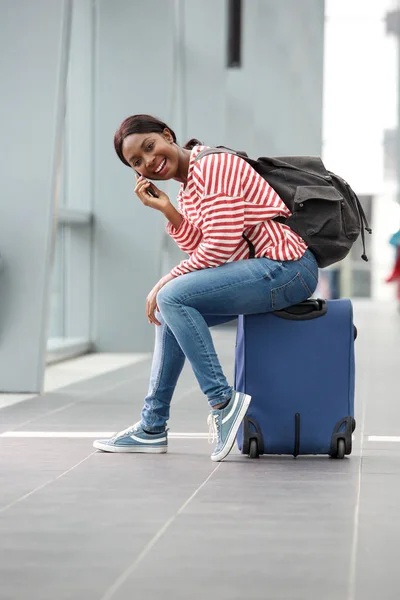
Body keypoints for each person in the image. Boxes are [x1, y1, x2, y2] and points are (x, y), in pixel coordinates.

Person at [93, 114, 319, 461]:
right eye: (137, 162)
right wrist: (169, 210)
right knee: (171, 311)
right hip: (260, 271)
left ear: (168, 135)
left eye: (150, 147)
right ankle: (152, 427)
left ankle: (224, 403)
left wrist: (166, 280)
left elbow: (221, 245)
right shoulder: (188, 189)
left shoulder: (213, 167)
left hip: (287, 268)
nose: (149, 162)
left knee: (171, 295)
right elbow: (208, 251)